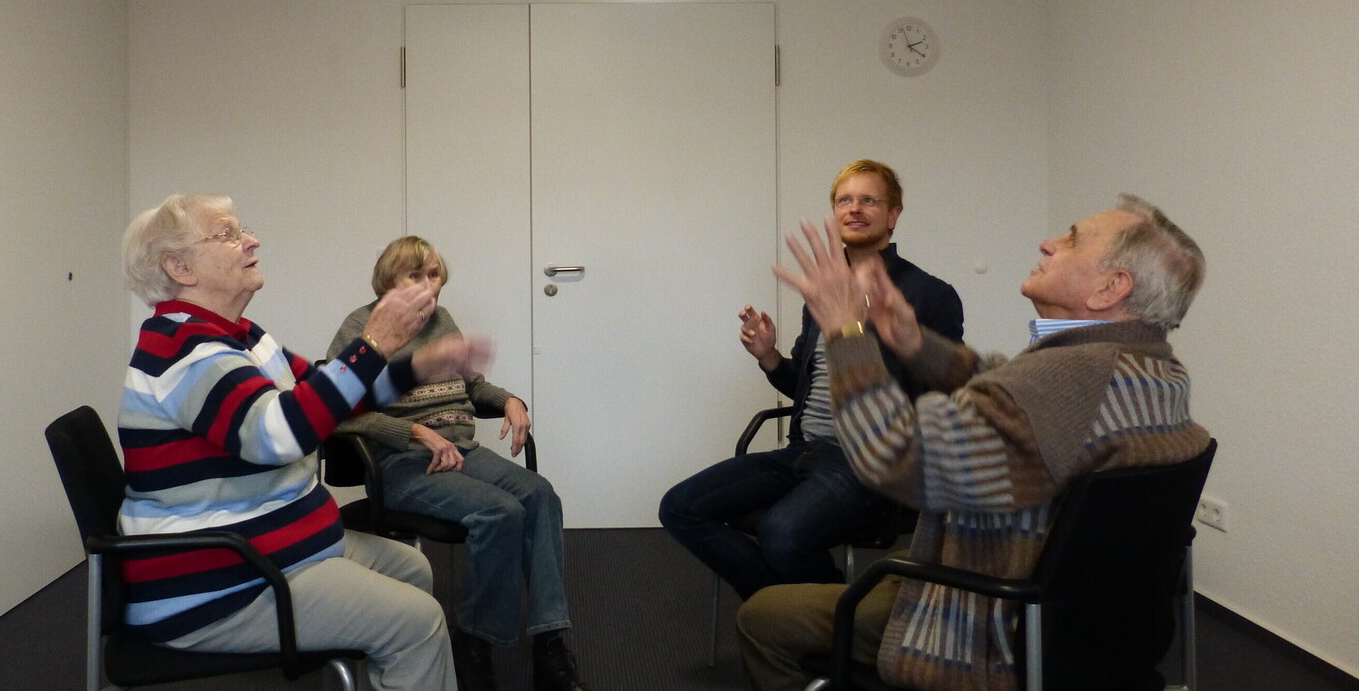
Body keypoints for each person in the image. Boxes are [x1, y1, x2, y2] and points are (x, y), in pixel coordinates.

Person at [736, 194, 1212, 691]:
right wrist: (912, 341)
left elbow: (894, 454)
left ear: (1110, 288)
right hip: (1086, 629)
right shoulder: (1154, 371)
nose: (1047, 244)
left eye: (1071, 239)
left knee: (763, 616)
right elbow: (1007, 388)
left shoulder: (1065, 379)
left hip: (979, 624)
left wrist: (845, 328)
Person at [118, 194, 488, 691]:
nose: (252, 240)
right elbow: (280, 434)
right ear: (180, 266)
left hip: (277, 549)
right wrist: (374, 342)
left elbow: (333, 395)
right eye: (227, 233)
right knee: (418, 622)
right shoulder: (186, 349)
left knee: (414, 568)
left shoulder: (241, 336)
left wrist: (422, 363)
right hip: (218, 584)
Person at [658, 159, 964, 600]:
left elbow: (943, 392)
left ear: (894, 214)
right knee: (680, 507)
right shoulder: (822, 293)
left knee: (783, 534)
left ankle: (818, 624)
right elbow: (803, 390)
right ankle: (799, 614)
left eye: (868, 200)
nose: (854, 208)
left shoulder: (928, 294)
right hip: (804, 449)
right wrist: (768, 358)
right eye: (845, 200)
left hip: (871, 462)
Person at [328, 236, 592, 691]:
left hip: (463, 451)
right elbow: (334, 411)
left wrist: (510, 400)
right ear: (388, 281)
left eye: (434, 275)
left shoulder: (442, 320)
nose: (428, 286)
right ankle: (474, 643)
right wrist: (412, 431)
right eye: (415, 275)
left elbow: (473, 386)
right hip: (404, 463)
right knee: (500, 512)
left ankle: (550, 641)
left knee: (541, 494)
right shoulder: (361, 327)